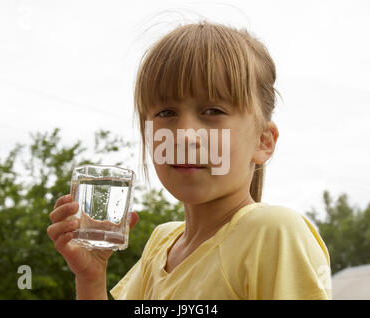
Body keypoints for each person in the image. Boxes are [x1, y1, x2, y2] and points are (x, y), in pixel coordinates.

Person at [47, 21, 332, 300]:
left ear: (263, 141)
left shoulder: (274, 231)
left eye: (212, 110)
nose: (184, 135)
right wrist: (91, 276)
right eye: (166, 113)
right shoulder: (161, 243)